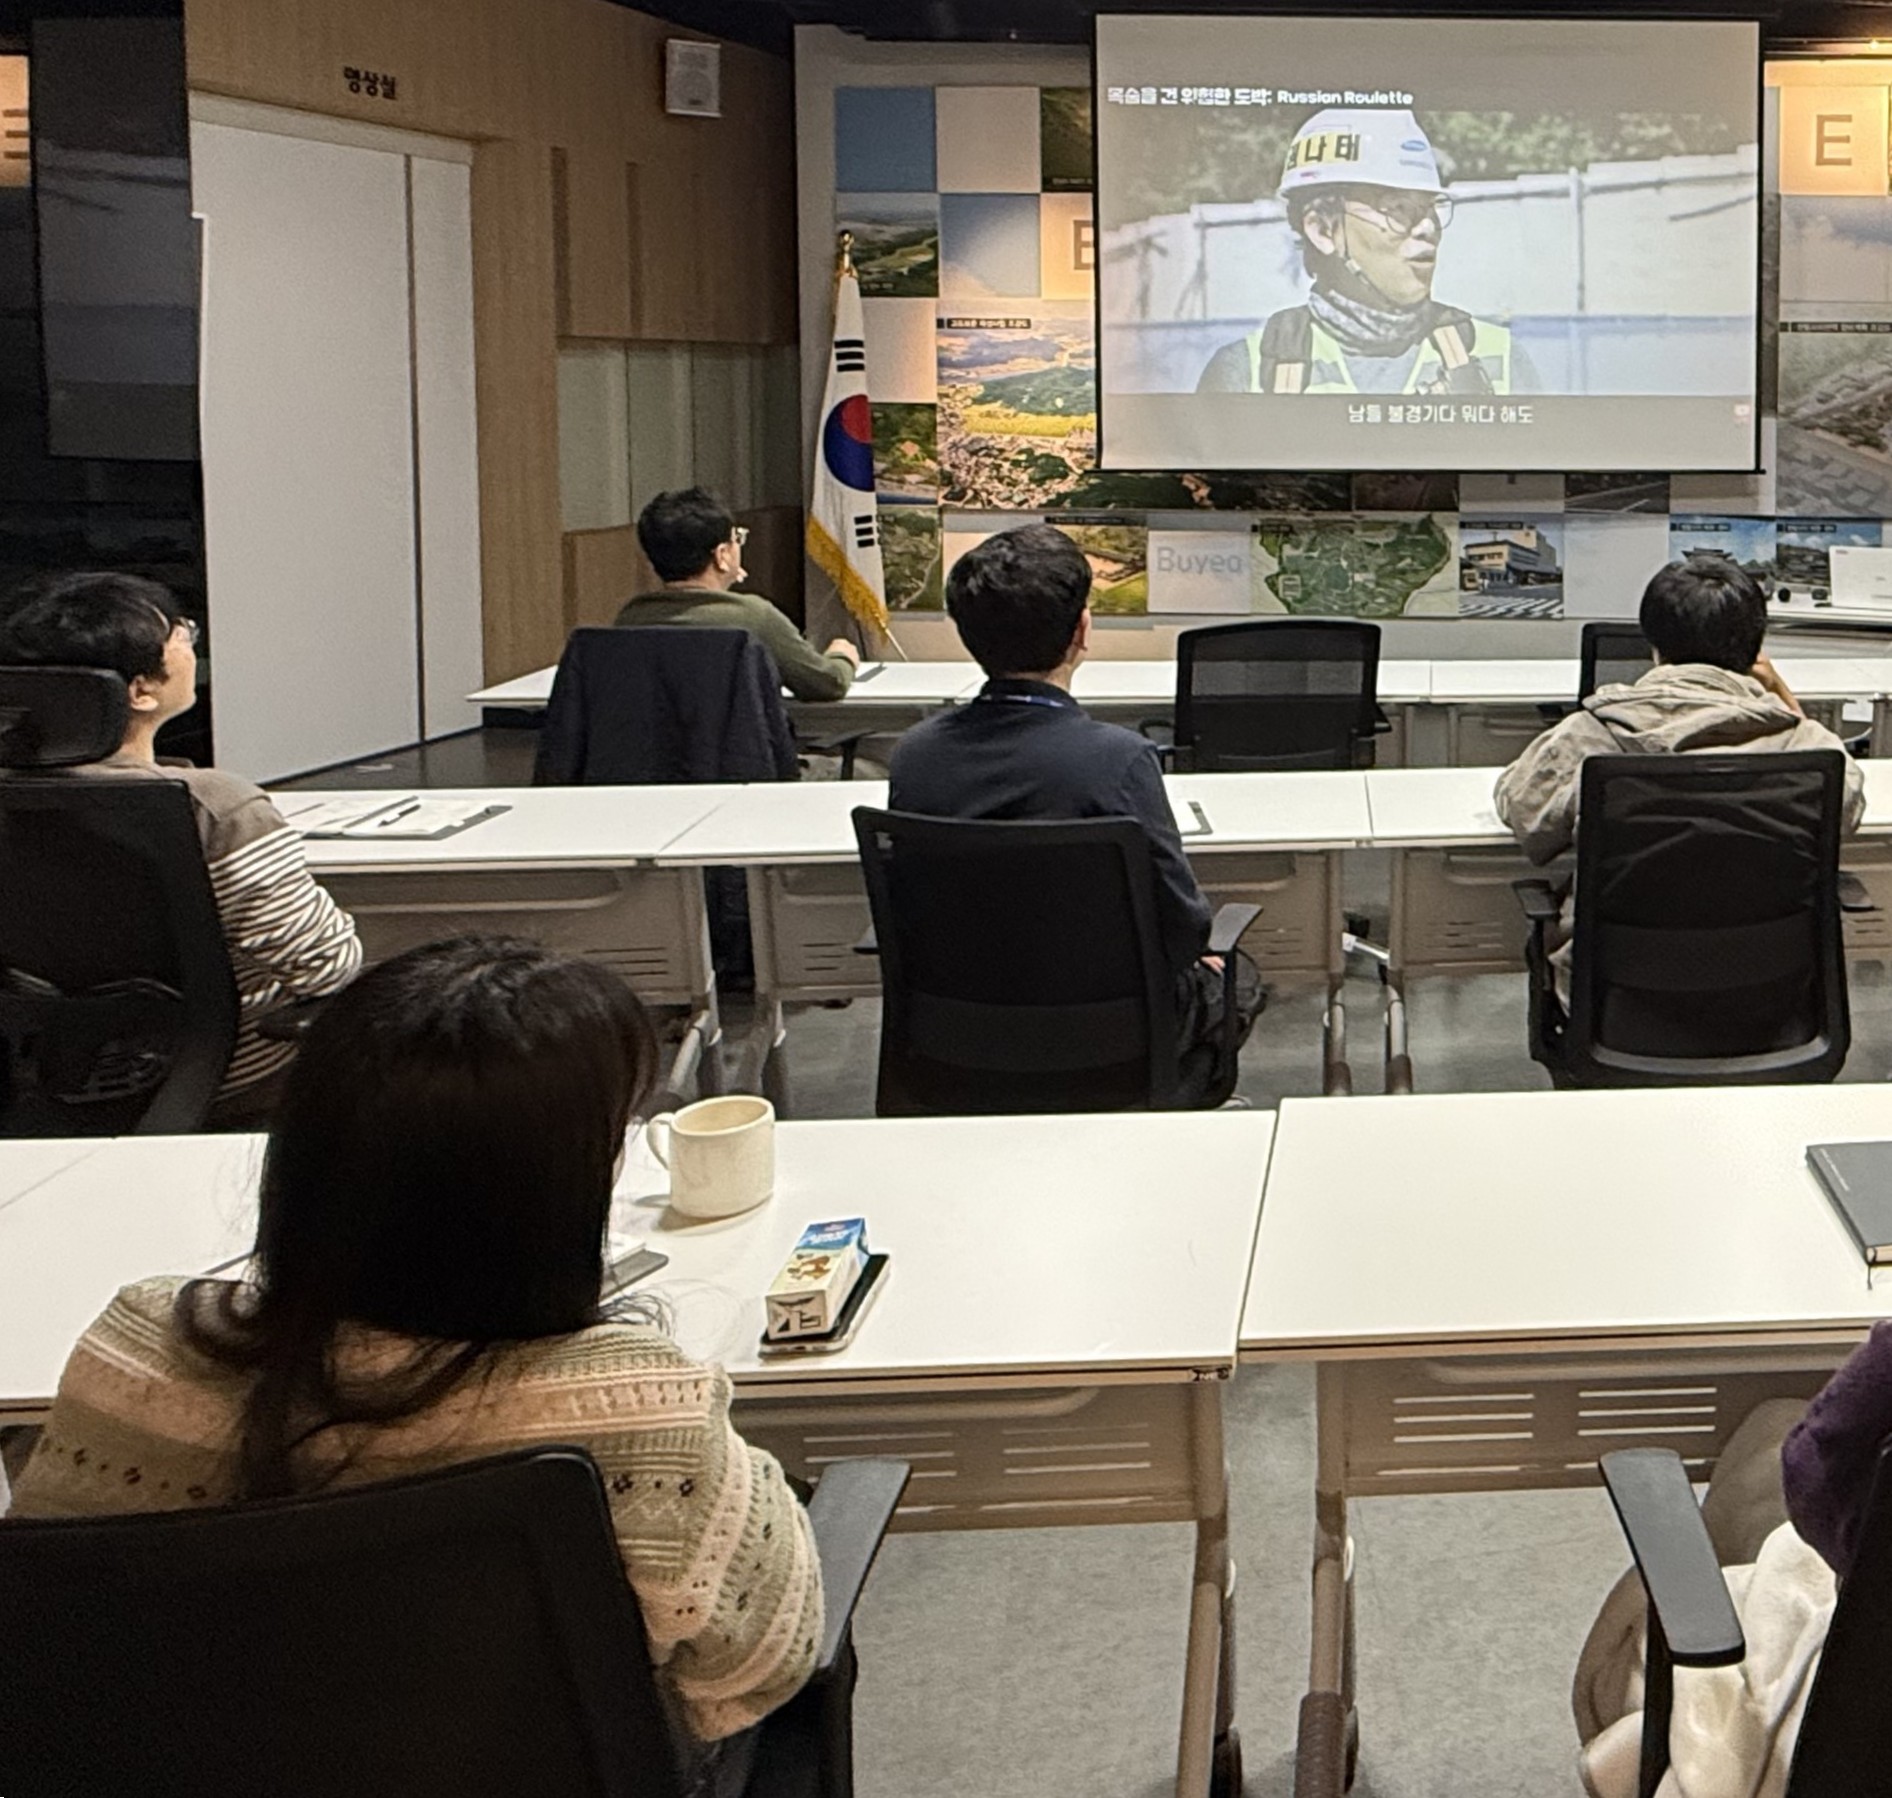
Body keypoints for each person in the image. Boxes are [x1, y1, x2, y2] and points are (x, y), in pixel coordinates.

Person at [8, 936, 823, 1794]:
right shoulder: (636, 1412)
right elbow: (761, 1661)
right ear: (557, 1190)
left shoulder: (130, 1351)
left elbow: (57, 1641)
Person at [888, 524, 1264, 1082]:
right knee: (1240, 975)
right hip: (1116, 1042)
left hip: (957, 1035)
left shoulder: (913, 757)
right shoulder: (1119, 760)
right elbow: (1184, 926)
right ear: (1081, 631)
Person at [0, 571, 360, 1119]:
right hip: (238, 1079)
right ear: (141, 690)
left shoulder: (14, 800)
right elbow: (326, 970)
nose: (190, 640)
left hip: (60, 1077)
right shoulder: (215, 806)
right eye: (179, 632)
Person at [1494, 552, 1866, 1005]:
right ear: (1756, 648)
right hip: (1774, 996)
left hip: (1617, 1002)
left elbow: (1523, 813)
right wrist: (1781, 696)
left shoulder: (1592, 734)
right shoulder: (1808, 749)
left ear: (1653, 645)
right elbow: (1842, 816)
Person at [1197, 109, 1535, 397]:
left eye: (1431, 208)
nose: (1428, 227)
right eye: (1398, 209)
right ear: (1324, 230)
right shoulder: (1247, 373)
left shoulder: (1497, 356)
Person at [619, 488, 860, 702]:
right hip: (740, 754)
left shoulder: (630, 619)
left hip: (640, 754)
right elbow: (827, 685)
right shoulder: (753, 618)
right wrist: (842, 656)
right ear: (722, 554)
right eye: (737, 539)